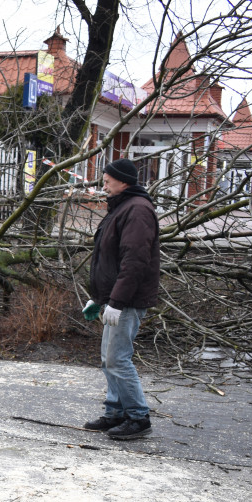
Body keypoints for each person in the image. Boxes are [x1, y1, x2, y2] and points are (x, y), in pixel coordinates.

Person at [82, 158, 161, 440]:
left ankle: (138, 418)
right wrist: (99, 299)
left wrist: (116, 301)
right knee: (109, 359)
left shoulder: (137, 210)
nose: (103, 185)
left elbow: (135, 261)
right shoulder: (122, 207)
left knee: (117, 359)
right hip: (116, 297)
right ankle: (116, 412)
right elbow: (110, 259)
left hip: (127, 299)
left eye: (107, 180)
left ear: (123, 181)